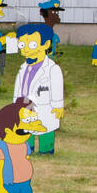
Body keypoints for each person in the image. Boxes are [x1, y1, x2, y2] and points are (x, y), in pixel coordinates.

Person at [12, 23, 64, 156]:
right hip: (24, 104)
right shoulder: (23, 68)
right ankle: (26, 148)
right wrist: (15, 105)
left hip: (44, 105)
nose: (26, 50)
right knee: (25, 127)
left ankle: (46, 149)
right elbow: (18, 87)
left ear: (46, 44)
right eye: (22, 45)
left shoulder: (52, 69)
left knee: (45, 128)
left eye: (32, 45)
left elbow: (57, 88)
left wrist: (58, 106)